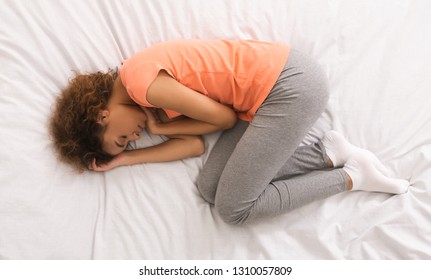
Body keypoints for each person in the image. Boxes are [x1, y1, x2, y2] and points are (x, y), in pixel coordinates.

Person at [50, 39, 409, 225]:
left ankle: (351, 175)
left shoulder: (143, 85)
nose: (136, 137)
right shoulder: (140, 92)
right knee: (209, 190)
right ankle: (327, 153)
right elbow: (192, 145)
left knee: (235, 210)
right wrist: (124, 159)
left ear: (100, 115)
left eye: (122, 138)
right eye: (129, 143)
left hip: (289, 85)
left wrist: (160, 126)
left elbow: (221, 120)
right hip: (260, 102)